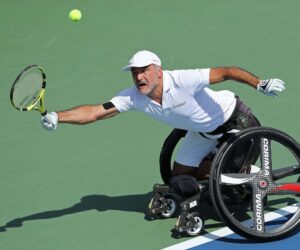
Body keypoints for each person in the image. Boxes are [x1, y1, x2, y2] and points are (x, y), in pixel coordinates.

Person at [41, 50, 285, 197]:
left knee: (224, 176)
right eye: (134, 72)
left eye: (144, 70)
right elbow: (95, 112)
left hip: (236, 123)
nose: (139, 77)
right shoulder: (132, 97)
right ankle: (222, 171)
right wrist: (57, 116)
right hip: (202, 132)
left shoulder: (183, 79)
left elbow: (228, 71)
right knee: (179, 177)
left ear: (158, 70)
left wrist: (260, 84)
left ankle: (250, 175)